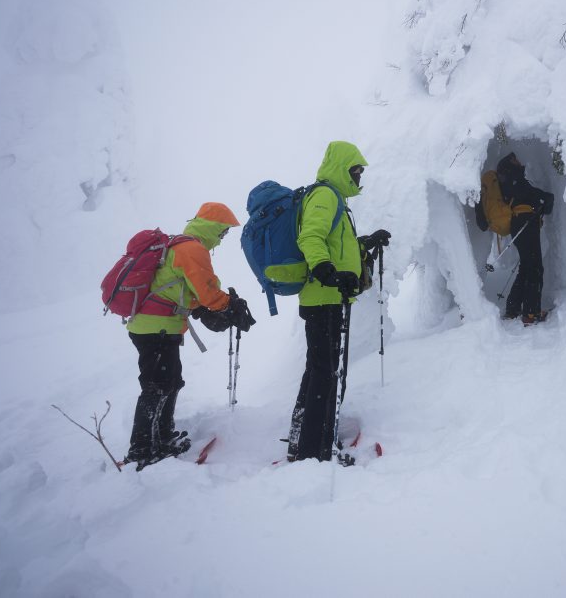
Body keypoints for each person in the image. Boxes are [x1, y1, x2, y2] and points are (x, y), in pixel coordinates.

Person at [124, 202, 255, 469]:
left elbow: (184, 290)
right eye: (222, 232)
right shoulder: (192, 248)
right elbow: (208, 292)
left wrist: (204, 309)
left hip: (158, 326)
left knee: (170, 382)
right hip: (156, 327)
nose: (222, 239)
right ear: (212, 227)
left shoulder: (178, 245)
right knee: (157, 387)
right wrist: (231, 306)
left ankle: (161, 438)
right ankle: (142, 450)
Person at [286, 141, 391, 463]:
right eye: (355, 171)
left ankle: (303, 438)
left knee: (320, 369)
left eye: (360, 172)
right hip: (324, 297)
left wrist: (365, 243)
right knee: (326, 372)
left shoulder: (336, 200)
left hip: (328, 296)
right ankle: (314, 451)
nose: (359, 177)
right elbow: (311, 237)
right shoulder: (325, 195)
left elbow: (334, 244)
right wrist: (326, 271)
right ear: (341, 169)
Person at [495, 152, 554, 325]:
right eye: (515, 160)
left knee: (527, 266)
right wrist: (547, 200)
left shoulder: (508, 183)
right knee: (535, 268)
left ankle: (513, 309)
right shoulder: (517, 182)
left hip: (519, 226)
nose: (519, 162)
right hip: (526, 225)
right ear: (510, 166)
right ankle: (531, 312)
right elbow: (541, 198)